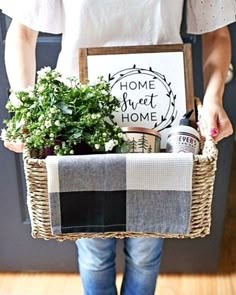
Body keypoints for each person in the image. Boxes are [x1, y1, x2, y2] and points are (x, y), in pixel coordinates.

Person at [0, 1, 235, 294]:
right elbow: (22, 29)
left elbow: (216, 32)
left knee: (146, 253)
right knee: (93, 252)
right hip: (79, 122)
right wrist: (27, 108)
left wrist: (214, 98)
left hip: (160, 123)